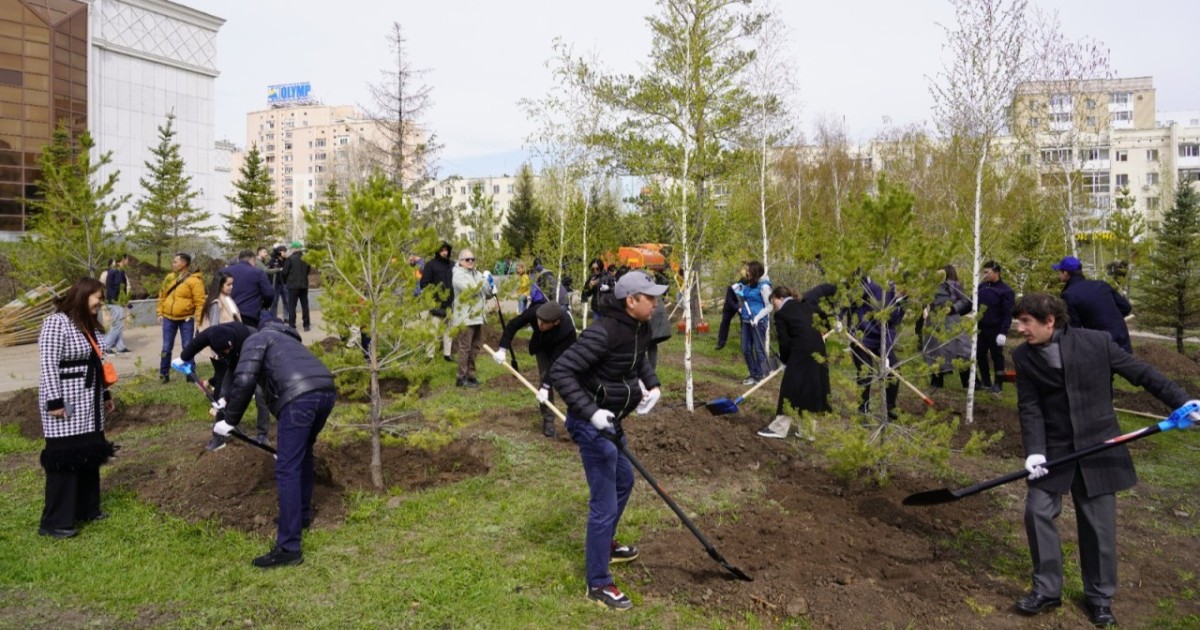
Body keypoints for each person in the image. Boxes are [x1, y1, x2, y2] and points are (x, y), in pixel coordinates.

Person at [1009, 293, 1197, 628]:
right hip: (1054, 447)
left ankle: (1099, 599)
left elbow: (1142, 373)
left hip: (1099, 446)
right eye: (1018, 321)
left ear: (1049, 320)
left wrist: (1184, 401)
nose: (1019, 328)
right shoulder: (1023, 356)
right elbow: (1030, 407)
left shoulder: (1096, 342)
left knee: (1098, 526)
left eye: (1026, 321)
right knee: (1037, 511)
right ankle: (1047, 589)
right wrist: (1034, 450)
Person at [549, 271, 666, 610]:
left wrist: (653, 385)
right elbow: (561, 371)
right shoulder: (602, 333)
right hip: (591, 423)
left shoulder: (639, 327)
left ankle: (606, 546)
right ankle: (598, 583)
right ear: (632, 301)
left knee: (624, 482)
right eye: (651, 298)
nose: (656, 303)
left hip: (611, 419)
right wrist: (590, 413)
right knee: (604, 503)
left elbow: (639, 358)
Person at [210, 316, 337, 568]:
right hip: (325, 391)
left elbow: (245, 380)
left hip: (299, 398)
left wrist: (229, 421)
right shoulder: (288, 340)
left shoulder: (256, 339)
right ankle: (300, 516)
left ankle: (289, 547)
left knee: (287, 468)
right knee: (303, 456)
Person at [37, 277, 118, 539]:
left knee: (88, 453)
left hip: (90, 401)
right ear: (83, 295)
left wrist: (105, 394)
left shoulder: (89, 324)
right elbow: (48, 364)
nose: (101, 303)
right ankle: (55, 521)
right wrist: (54, 401)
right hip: (66, 400)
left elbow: (97, 360)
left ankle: (87, 508)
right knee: (65, 457)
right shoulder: (56, 323)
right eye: (98, 297)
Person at [493, 300, 578, 438]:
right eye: (539, 321)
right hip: (542, 348)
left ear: (556, 322)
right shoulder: (536, 312)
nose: (539, 325)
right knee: (544, 379)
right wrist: (502, 349)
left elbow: (556, 362)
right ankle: (548, 421)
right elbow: (512, 325)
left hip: (563, 353)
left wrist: (547, 384)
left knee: (567, 383)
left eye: (544, 323)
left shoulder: (567, 330)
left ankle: (576, 422)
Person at [757, 286, 831, 440]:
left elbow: (784, 342)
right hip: (819, 349)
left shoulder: (782, 314)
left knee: (790, 388)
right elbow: (823, 316)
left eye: (774, 302)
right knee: (810, 387)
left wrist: (785, 360)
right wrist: (826, 329)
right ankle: (808, 431)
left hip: (801, 351)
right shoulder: (806, 306)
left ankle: (779, 428)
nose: (774, 306)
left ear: (780, 298)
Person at [847, 274, 905, 419]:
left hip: (882, 341)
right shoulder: (878, 289)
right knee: (865, 372)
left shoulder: (905, 302)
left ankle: (890, 408)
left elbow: (891, 327)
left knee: (895, 369)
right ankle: (863, 408)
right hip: (862, 337)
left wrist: (886, 354)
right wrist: (841, 319)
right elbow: (852, 300)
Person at [1053, 255, 1134, 354]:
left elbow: (1074, 329)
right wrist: (1111, 319)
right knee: (1127, 368)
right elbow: (1126, 307)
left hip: (1101, 343)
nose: (1058, 275)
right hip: (1122, 338)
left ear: (1065, 273)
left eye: (1059, 272)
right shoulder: (1101, 285)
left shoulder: (1068, 295)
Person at [156, 253, 205, 383]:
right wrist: (160, 312)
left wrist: (199, 322)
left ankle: (190, 374)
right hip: (168, 318)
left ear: (183, 264)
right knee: (166, 347)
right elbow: (162, 295)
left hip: (186, 319)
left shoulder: (195, 281)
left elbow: (200, 303)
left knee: (188, 346)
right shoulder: (169, 278)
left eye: (175, 262)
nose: (173, 264)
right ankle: (163, 373)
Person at [922, 264, 973, 391]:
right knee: (936, 350)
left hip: (952, 321)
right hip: (934, 321)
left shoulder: (955, 286)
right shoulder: (931, 286)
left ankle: (969, 382)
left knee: (962, 350)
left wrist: (952, 308)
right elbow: (923, 300)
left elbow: (965, 300)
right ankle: (936, 382)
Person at [451, 249, 492, 388]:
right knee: (465, 348)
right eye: (467, 259)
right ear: (460, 261)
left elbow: (487, 293)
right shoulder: (457, 275)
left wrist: (491, 286)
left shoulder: (477, 274)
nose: (470, 262)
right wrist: (484, 281)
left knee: (475, 348)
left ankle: (471, 375)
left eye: (472, 259)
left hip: (478, 317)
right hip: (465, 317)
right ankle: (461, 377)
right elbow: (472, 290)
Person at [976, 260, 1015, 394]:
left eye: (987, 272)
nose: (985, 275)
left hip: (996, 329)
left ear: (997, 273)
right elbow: (971, 303)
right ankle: (986, 381)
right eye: (984, 272)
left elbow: (1007, 313)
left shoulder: (1005, 291)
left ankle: (998, 383)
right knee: (980, 354)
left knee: (997, 356)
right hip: (981, 328)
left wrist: (1003, 332)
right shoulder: (981, 287)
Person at [733, 261, 774, 386]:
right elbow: (743, 299)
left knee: (759, 349)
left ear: (755, 272)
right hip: (746, 321)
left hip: (758, 322)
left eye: (749, 270)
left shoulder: (764, 287)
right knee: (746, 349)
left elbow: (770, 306)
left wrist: (757, 318)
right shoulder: (749, 284)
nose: (747, 272)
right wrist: (740, 307)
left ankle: (760, 375)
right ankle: (753, 374)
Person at [419, 241, 455, 361]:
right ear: (438, 251)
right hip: (436, 304)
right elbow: (424, 283)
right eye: (442, 250)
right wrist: (433, 298)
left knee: (449, 331)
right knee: (432, 331)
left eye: (446, 250)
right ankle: (430, 355)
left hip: (450, 303)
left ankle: (447, 354)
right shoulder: (431, 265)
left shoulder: (453, 265)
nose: (444, 252)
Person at [221, 249, 274, 329]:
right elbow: (269, 294)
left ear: (238, 259)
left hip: (226, 314)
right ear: (253, 260)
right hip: (249, 314)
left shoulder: (223, 271)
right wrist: (264, 305)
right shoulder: (258, 273)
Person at [102, 254, 131, 353]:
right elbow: (119, 288)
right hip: (115, 302)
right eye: (127, 259)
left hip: (112, 301)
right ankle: (105, 347)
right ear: (123, 259)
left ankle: (120, 346)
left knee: (118, 324)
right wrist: (122, 301)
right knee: (117, 325)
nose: (128, 261)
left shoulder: (112, 270)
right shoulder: (118, 271)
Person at [282, 241, 311, 331]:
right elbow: (308, 270)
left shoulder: (290, 259)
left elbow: (284, 272)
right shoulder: (306, 259)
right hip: (303, 285)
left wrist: (286, 281)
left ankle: (292, 325)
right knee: (305, 305)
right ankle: (306, 325)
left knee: (292, 306)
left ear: (294, 249)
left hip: (293, 286)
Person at [714, 278, 740, 351]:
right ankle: (721, 343)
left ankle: (746, 345)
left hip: (741, 305)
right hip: (729, 307)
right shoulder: (732, 287)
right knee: (724, 323)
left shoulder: (747, 285)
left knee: (745, 324)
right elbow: (729, 300)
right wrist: (737, 307)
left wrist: (740, 307)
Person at [267, 245, 288, 318]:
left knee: (286, 301)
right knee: (274, 302)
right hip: (275, 284)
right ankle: (273, 317)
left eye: (286, 251)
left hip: (285, 284)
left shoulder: (287, 260)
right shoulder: (273, 261)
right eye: (284, 251)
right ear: (279, 252)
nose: (285, 253)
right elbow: (269, 272)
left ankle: (286, 317)